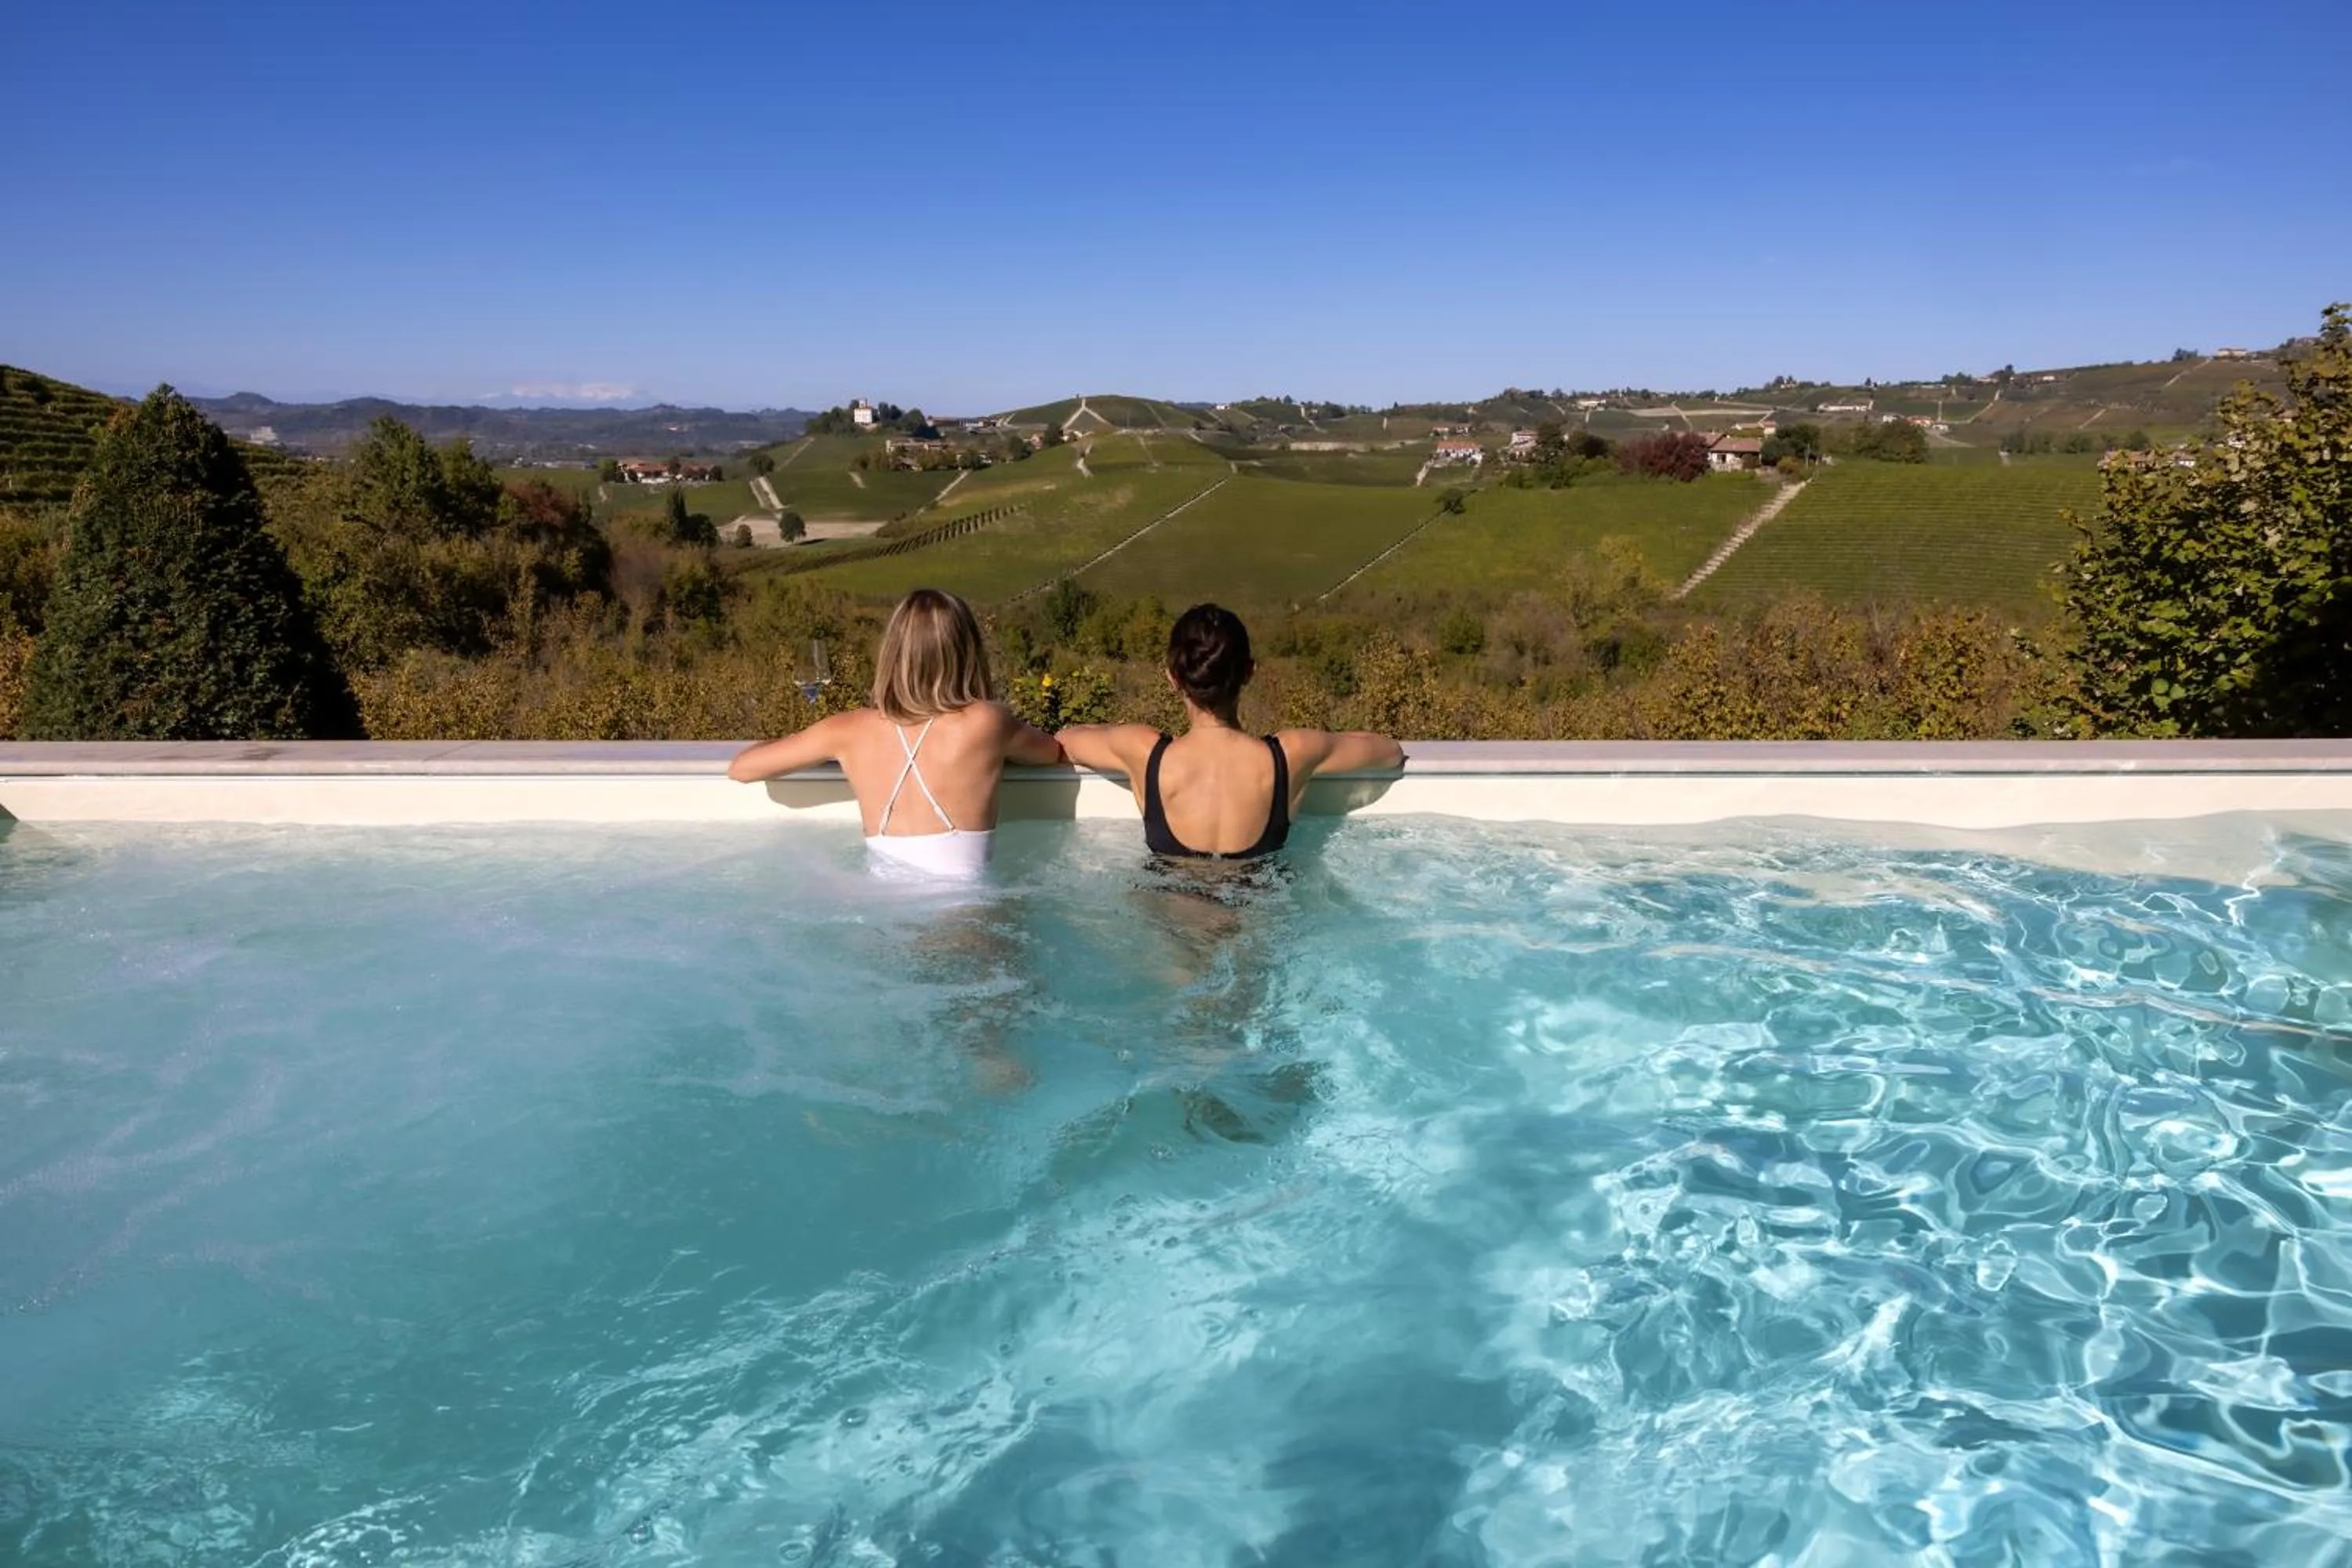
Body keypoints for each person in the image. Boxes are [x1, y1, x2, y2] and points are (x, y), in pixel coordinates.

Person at [727, 588, 1063, 877]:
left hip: (884, 910)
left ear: (893, 655)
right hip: (966, 912)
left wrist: (794, 739)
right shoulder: (986, 722)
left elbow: (741, 768)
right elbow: (1051, 753)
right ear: (968, 653)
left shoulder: (847, 730)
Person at [1056, 602, 1405, 861]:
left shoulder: (1141, 752)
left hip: (1173, 934)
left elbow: (1067, 740)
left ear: (1173, 678)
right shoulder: (1293, 753)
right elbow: (1388, 753)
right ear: (1249, 673)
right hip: (1258, 930)